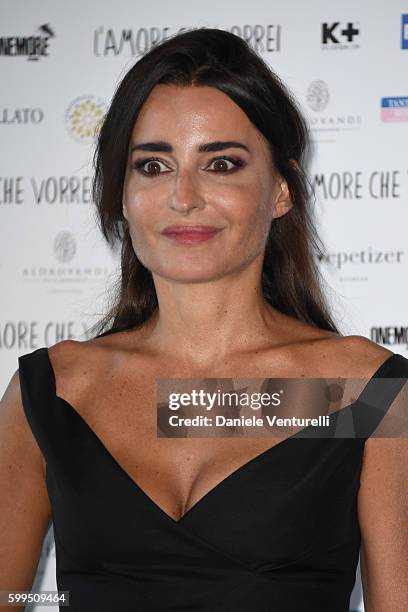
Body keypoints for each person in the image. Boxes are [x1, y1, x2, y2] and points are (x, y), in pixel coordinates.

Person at [1, 27, 407, 612]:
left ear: (281, 192)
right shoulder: (55, 391)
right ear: (122, 192)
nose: (183, 197)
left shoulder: (364, 395)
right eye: (153, 166)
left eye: (220, 163)